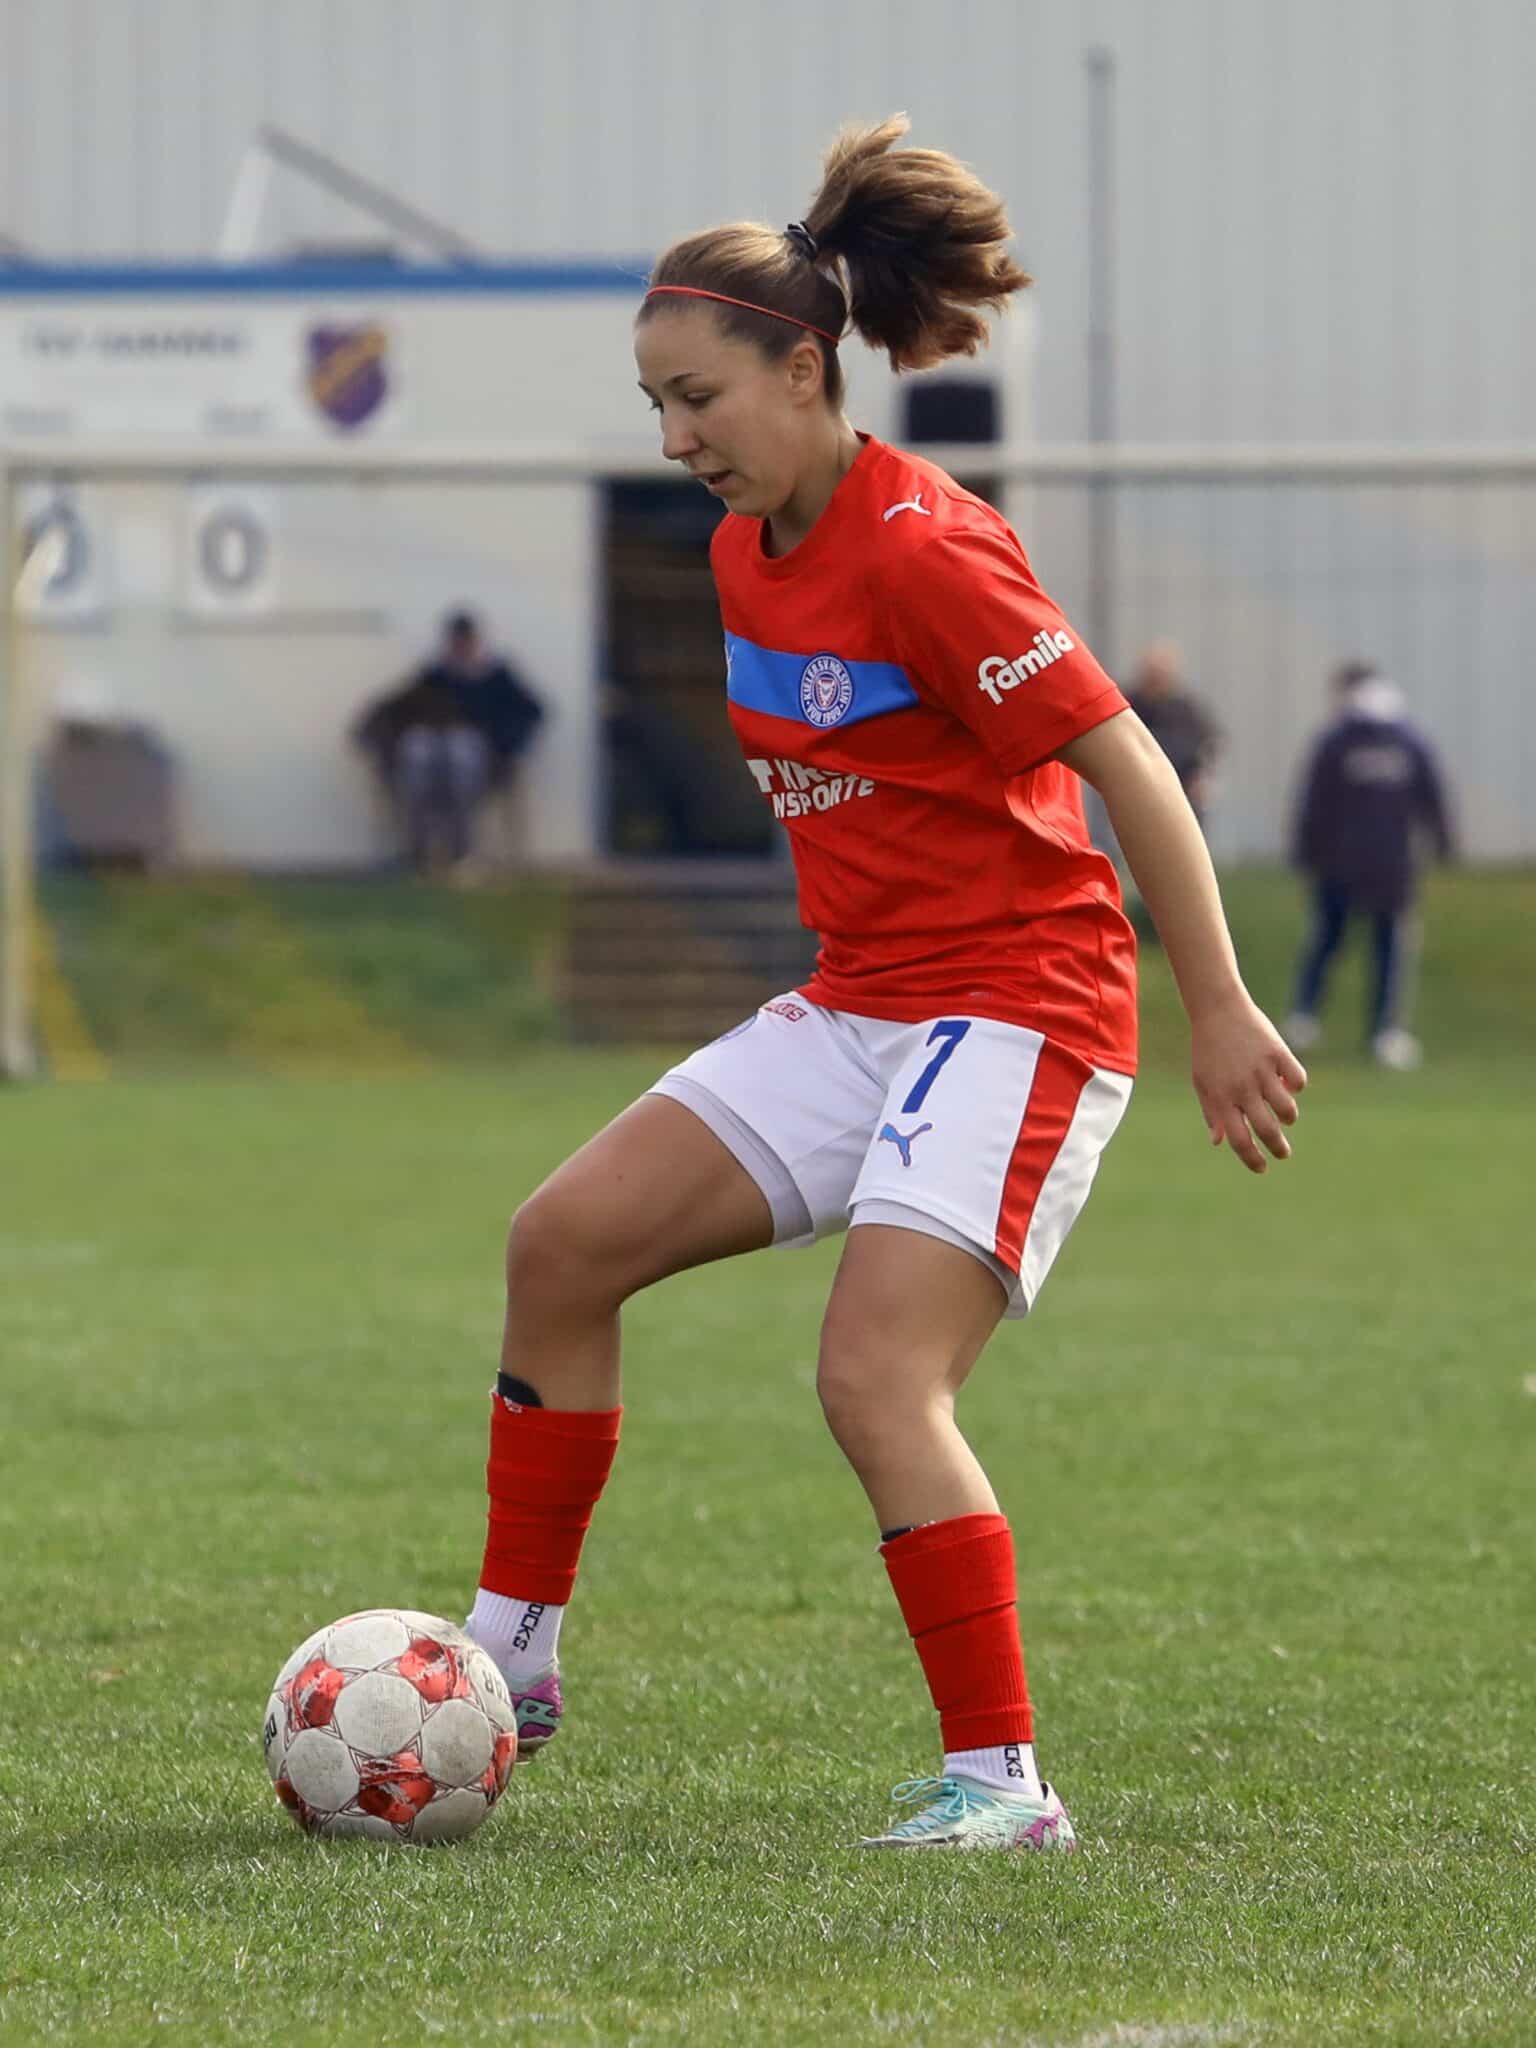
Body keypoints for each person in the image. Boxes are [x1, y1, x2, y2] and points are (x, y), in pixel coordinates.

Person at [462, 116, 1306, 1852]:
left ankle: (1003, 1783)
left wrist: (1218, 1000)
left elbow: (1130, 764)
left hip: (1025, 1005)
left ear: (801, 362)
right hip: (864, 1003)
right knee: (561, 1243)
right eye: (656, 408)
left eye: (700, 396)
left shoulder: (928, 549)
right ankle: (509, 1662)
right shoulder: (739, 551)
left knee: (872, 1376)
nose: (679, 436)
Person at [1286, 660, 1455, 1070]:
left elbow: (1314, 802)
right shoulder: (1409, 739)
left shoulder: (1337, 741)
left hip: (1340, 865)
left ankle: (1305, 1017)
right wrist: (1446, 845)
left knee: (1328, 940)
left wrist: (1305, 853)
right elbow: (1433, 798)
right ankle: (1385, 1031)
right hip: (1392, 866)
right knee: (1388, 950)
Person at [353, 609, 545, 874]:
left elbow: (532, 711)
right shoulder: (435, 675)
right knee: (417, 750)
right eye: (457, 642)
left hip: (479, 759)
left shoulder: (498, 676)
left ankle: (461, 852)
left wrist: (507, 744)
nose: (461, 647)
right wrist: (372, 737)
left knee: (460, 754)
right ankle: (418, 851)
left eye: (466, 641)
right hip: (432, 759)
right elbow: (394, 707)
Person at [1123, 641, 1222, 828]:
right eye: (1152, 674)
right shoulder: (1126, 707)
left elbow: (1210, 744)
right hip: (1137, 792)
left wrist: (1203, 778)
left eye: (1161, 674)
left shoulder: (1185, 710)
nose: (1156, 680)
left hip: (1181, 792)